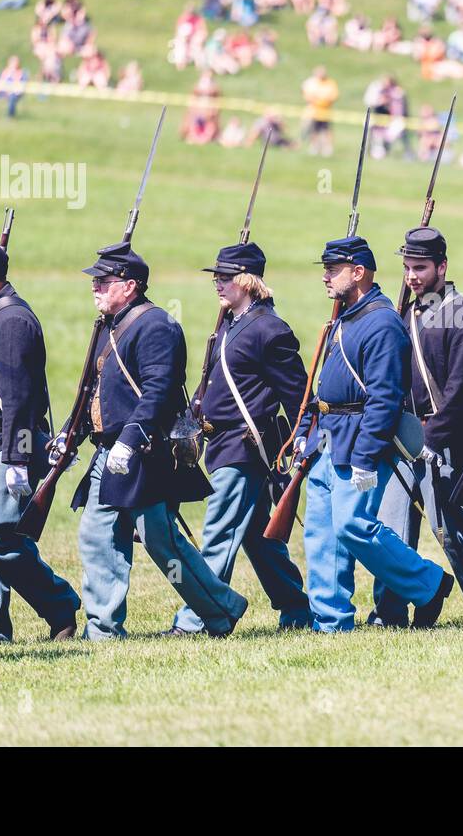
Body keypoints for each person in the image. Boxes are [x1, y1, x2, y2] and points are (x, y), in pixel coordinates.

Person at [66, 241, 247, 639]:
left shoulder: (156, 326)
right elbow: (93, 388)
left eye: (104, 280)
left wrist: (130, 439)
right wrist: (70, 431)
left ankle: (222, 608)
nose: (95, 287)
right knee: (98, 537)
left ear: (129, 286)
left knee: (161, 543)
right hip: (107, 452)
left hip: (144, 452)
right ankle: (102, 628)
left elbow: (159, 391)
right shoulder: (108, 325)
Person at [294, 236, 453, 632]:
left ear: (358, 272)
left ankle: (429, 583)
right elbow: (321, 387)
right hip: (327, 437)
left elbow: (385, 398)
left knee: (352, 525)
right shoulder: (347, 317)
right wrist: (303, 433)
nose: (326, 277)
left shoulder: (380, 322)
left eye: (333, 270)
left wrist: (366, 457)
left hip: (358, 442)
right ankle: (331, 621)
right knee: (322, 534)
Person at [165, 243, 311, 634]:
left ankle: (199, 618)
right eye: (216, 276)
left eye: (225, 277)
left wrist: (300, 441)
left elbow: (297, 396)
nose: (217, 283)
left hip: (247, 446)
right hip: (223, 443)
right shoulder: (230, 321)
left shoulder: (270, 329)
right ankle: (297, 608)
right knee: (258, 538)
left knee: (219, 532)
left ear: (247, 281)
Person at [0, 232, 81, 642]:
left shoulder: (12, 321)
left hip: (4, 449)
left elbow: (19, 397)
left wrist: (18, 459)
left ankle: (60, 605)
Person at [370, 228, 463, 624]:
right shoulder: (406, 313)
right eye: (408, 267)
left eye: (420, 267)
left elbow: (462, 393)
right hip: (402, 436)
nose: (411, 276)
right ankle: (389, 611)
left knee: (449, 529)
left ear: (442, 267)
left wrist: (429, 440)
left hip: (439, 440)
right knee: (391, 527)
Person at [301, 66, 338, 157]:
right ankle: (314, 146)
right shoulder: (310, 83)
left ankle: (327, 148)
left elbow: (333, 96)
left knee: (326, 130)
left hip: (326, 111)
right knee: (314, 130)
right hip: (313, 111)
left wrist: (323, 100)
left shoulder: (330, 83)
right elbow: (307, 95)